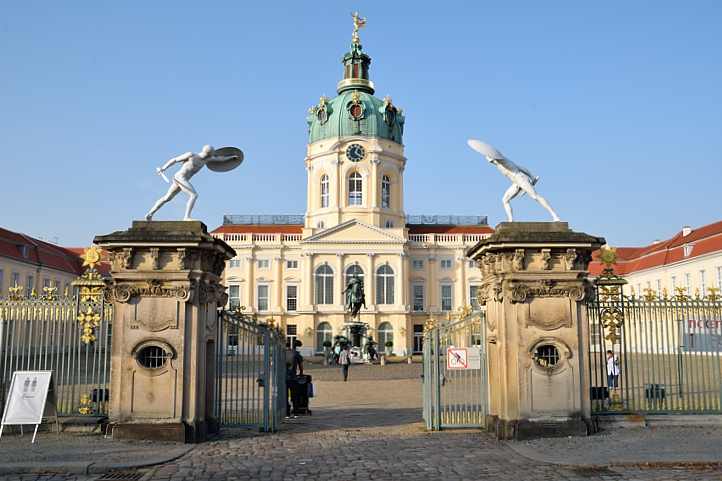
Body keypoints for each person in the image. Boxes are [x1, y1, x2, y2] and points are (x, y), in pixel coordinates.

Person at [145, 145, 240, 221]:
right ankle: (186, 217)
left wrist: (232, 157)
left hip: (183, 179)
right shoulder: (191, 155)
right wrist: (164, 168)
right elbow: (174, 160)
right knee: (194, 195)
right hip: (179, 177)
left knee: (167, 198)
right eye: (211, 154)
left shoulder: (207, 159)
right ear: (208, 153)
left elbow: (220, 159)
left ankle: (150, 214)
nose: (212, 156)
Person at [285, 339, 304, 418]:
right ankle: (295, 413)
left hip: (283, 377)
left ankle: (287, 413)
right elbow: (301, 366)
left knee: (284, 396)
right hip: (293, 377)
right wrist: (301, 373)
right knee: (295, 396)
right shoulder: (296, 354)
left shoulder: (281, 353)